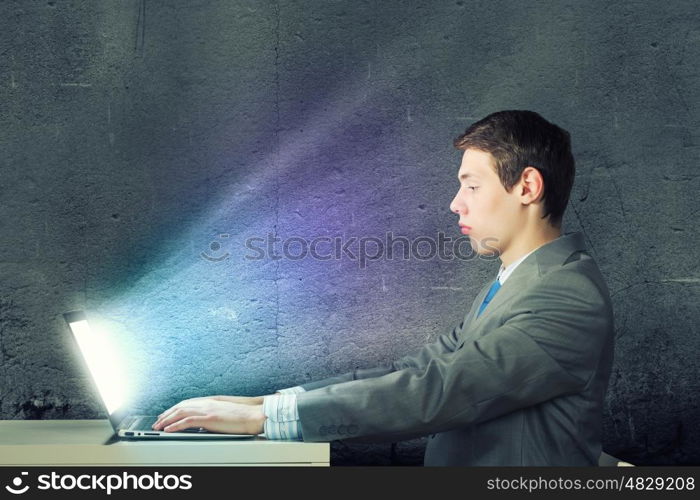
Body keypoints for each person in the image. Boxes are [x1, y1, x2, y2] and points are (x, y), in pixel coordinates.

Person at [152, 110, 615, 466]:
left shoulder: (564, 296)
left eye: (471, 186)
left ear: (528, 186)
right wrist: (267, 403)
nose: (455, 204)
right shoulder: (519, 284)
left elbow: (435, 392)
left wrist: (264, 420)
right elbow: (415, 369)